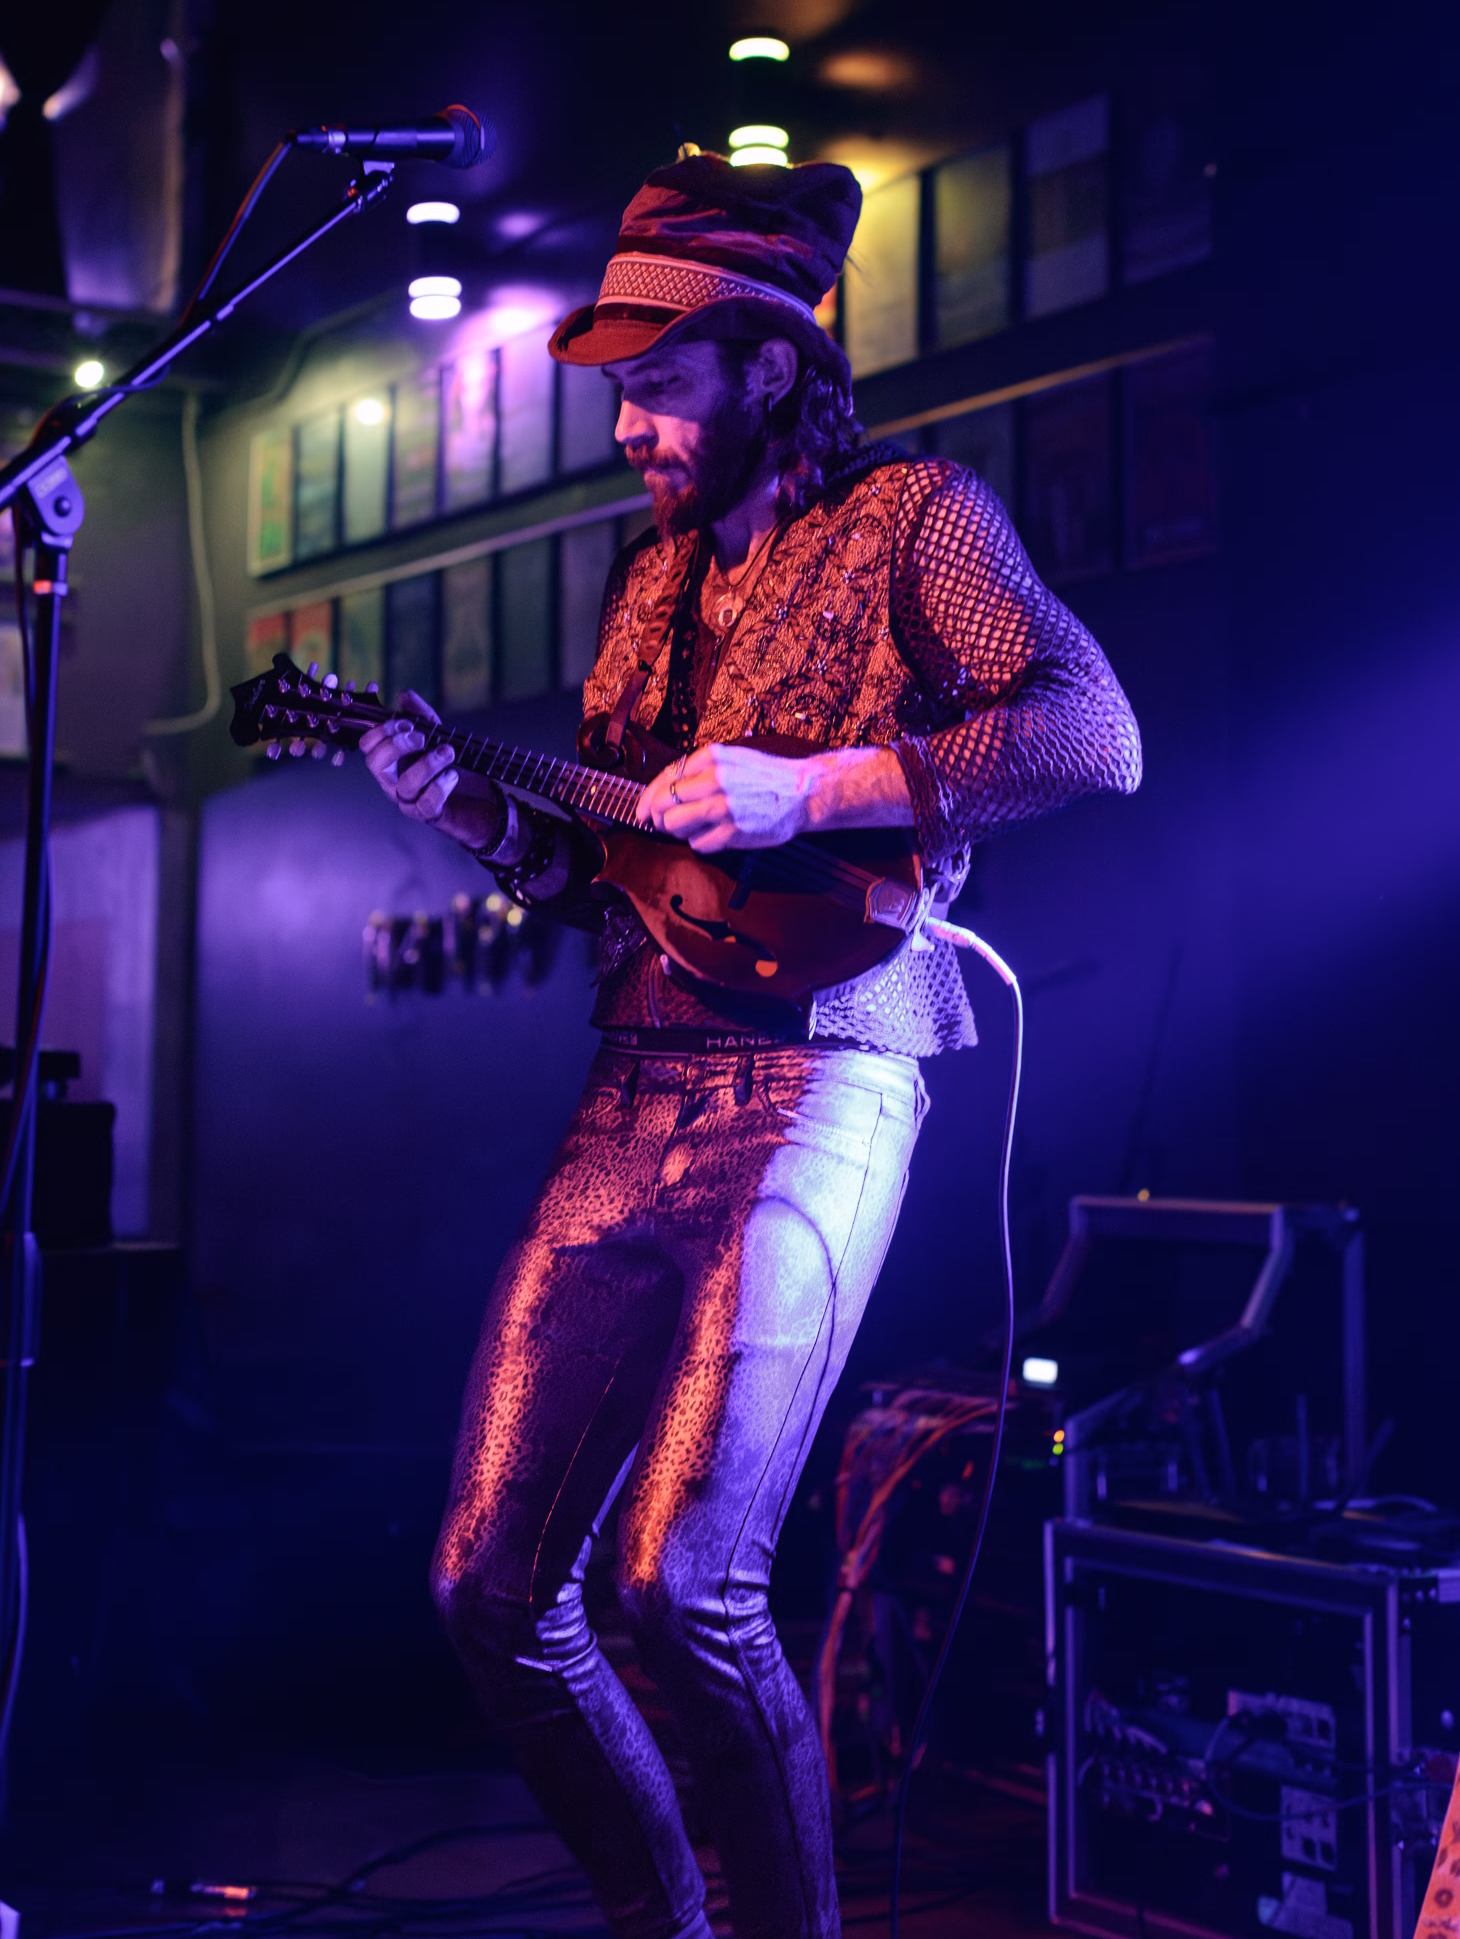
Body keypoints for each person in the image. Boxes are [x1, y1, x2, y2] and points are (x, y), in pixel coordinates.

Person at [361, 152, 1142, 1939]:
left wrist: (829, 781)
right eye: (619, 385)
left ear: (771, 363)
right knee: (492, 1584)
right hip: (635, 1077)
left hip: (827, 1065)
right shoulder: (642, 590)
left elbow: (1093, 733)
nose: (627, 421)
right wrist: (470, 814)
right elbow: (611, 870)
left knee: (681, 1584)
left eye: (658, 380)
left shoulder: (915, 517)